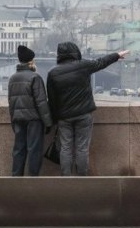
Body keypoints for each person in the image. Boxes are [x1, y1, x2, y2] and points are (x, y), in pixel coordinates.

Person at [46, 42, 129, 176]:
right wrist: (116, 55)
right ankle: (82, 179)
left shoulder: (53, 73)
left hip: (64, 117)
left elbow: (52, 99)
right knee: (82, 148)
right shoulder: (83, 66)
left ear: (59, 55)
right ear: (75, 52)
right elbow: (101, 62)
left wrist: (55, 118)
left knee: (65, 148)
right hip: (84, 115)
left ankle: (65, 178)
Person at [8, 45, 53, 176]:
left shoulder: (12, 78)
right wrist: (48, 123)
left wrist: (13, 121)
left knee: (18, 150)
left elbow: (11, 102)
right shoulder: (35, 77)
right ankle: (32, 179)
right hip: (33, 120)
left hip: (18, 119)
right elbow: (41, 103)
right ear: (31, 61)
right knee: (34, 149)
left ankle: (16, 178)